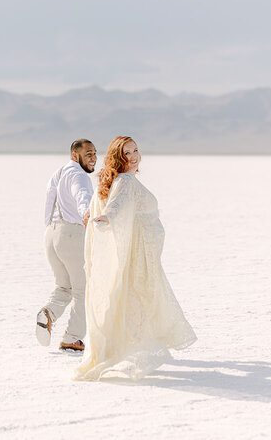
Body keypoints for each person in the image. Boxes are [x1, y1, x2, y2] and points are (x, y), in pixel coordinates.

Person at [73, 136, 196, 380]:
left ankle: (124, 343)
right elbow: (116, 205)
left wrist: (92, 214)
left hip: (141, 251)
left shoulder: (116, 181)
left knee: (137, 297)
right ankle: (134, 347)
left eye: (136, 150)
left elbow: (104, 202)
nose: (134, 156)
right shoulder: (126, 181)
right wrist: (106, 217)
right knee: (142, 298)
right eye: (127, 152)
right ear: (118, 157)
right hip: (137, 255)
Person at [36, 138, 98, 352]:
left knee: (65, 286)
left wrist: (51, 230)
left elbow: (48, 203)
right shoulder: (77, 175)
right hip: (71, 235)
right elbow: (82, 196)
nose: (93, 158)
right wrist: (87, 214)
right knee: (84, 290)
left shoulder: (59, 172)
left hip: (52, 235)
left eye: (95, 153)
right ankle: (72, 338)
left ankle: (49, 313)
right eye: (88, 153)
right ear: (75, 155)